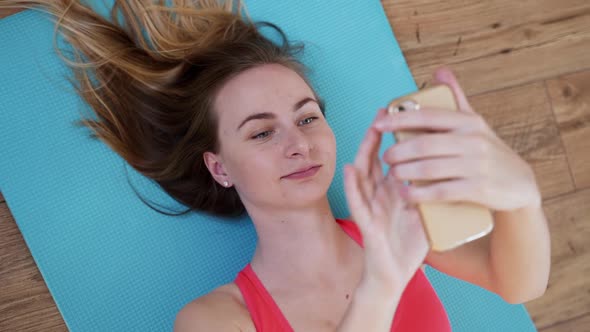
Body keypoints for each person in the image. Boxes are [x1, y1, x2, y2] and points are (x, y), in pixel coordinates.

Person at [1, 1, 551, 331]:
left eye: (308, 118)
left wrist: (523, 197)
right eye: (262, 132)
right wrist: (380, 287)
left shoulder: (395, 230)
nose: (299, 143)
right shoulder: (214, 320)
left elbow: (517, 282)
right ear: (220, 168)